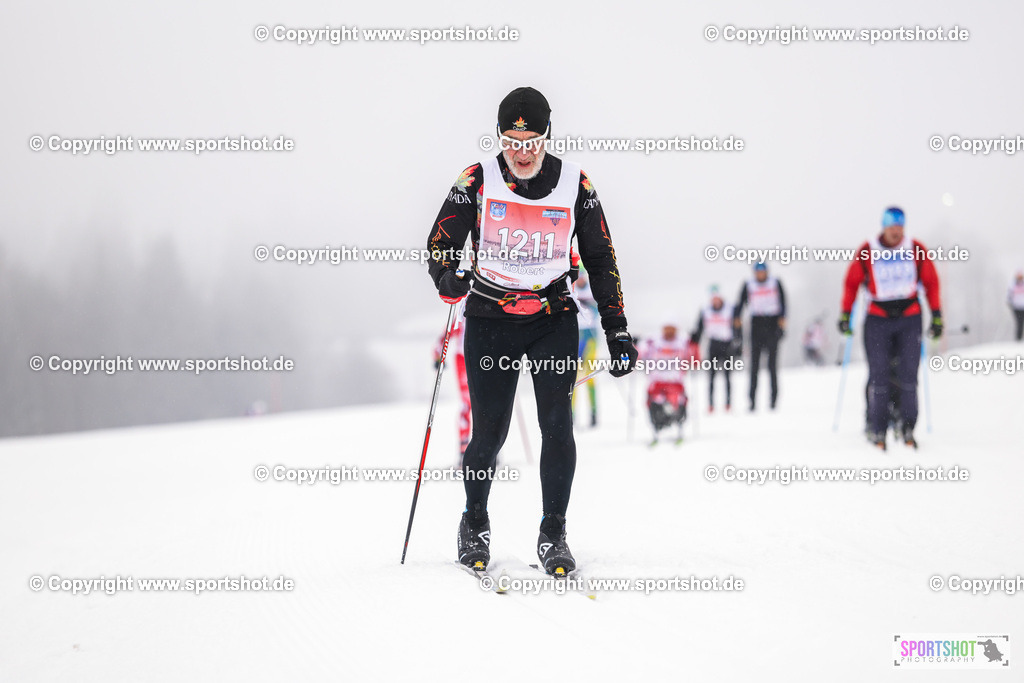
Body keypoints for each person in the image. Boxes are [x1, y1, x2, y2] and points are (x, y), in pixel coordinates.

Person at [426, 87, 638, 575]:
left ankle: (553, 533)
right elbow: (441, 240)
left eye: (531, 142)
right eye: (511, 142)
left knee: (557, 425)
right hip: (490, 316)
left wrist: (617, 329)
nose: (521, 153)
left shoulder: (576, 184)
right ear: (499, 138)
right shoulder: (475, 179)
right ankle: (474, 522)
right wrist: (446, 276)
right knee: (490, 431)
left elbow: (601, 258)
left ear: (547, 137)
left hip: (552, 316)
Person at [838, 206, 942, 450]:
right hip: (878, 318)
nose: (896, 232)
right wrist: (845, 313)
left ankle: (907, 425)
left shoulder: (915, 249)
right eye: (892, 227)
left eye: (900, 227)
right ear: (883, 227)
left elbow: (931, 282)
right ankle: (877, 426)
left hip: (909, 317)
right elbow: (851, 283)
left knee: (908, 374)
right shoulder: (868, 249)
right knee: (879, 375)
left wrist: (937, 315)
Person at [733, 262, 786, 410]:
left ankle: (773, 400)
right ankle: (752, 401)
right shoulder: (749, 284)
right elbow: (740, 305)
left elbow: (783, 304)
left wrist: (781, 325)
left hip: (772, 324)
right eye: (758, 272)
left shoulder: (775, 283)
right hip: (756, 324)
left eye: (763, 272)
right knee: (754, 366)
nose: (760, 274)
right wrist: (737, 325)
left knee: (772, 366)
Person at [640, 323, 697, 446]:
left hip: (675, 383)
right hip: (657, 383)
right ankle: (656, 426)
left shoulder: (683, 343)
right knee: (654, 401)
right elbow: (639, 355)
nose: (669, 332)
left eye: (672, 329)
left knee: (678, 402)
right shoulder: (653, 343)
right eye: (667, 329)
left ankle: (679, 424)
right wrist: (633, 345)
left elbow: (694, 359)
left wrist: (695, 344)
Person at [433, 303, 471, 464]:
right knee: (467, 403)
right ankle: (464, 452)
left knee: (487, 404)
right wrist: (438, 356)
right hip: (464, 359)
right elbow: (446, 334)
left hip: (486, 359)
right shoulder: (464, 312)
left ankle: (489, 448)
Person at [690, 286, 737, 413]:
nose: (715, 301)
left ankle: (728, 403)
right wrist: (694, 341)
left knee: (727, 376)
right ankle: (711, 404)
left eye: (717, 298)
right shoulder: (705, 310)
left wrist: (738, 344)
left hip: (727, 345)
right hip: (713, 345)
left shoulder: (730, 309)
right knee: (711, 376)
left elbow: (737, 326)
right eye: (713, 299)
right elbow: (699, 328)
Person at [572, 261, 601, 427]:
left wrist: (586, 306)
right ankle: (572, 415)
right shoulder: (571, 289)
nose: (580, 279)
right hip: (576, 339)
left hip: (590, 338)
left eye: (581, 276)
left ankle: (593, 412)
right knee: (573, 378)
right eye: (577, 276)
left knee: (589, 376)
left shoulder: (592, 290)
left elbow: (595, 312)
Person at [1008, 271, 1024, 341]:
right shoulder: (1012, 285)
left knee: (1021, 322)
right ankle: (1018, 338)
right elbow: (1009, 296)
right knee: (1019, 323)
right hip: (1016, 308)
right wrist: (1010, 303)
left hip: (1023, 307)